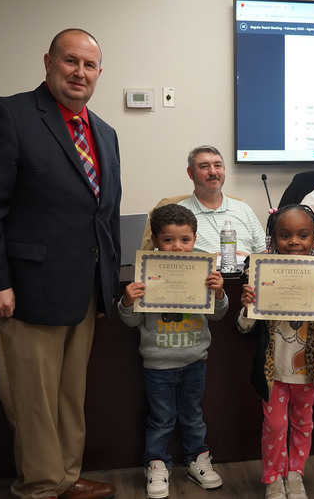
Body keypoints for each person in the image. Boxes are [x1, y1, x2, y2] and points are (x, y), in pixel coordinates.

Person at [0, 28, 121, 499]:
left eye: (89, 65)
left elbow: (104, 215)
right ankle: (39, 485)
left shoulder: (104, 132)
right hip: (25, 290)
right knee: (32, 401)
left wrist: (105, 285)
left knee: (70, 396)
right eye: (70, 61)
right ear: (48, 62)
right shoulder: (7, 115)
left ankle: (66, 476)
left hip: (83, 290)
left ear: (98, 73)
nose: (80, 72)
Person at [237, 204, 314, 499]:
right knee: (275, 426)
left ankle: (295, 474)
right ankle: (274, 477)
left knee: (303, 423)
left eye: (303, 235)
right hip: (273, 372)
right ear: (273, 240)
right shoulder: (260, 273)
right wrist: (249, 307)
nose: (294, 242)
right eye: (285, 235)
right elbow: (244, 331)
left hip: (308, 373)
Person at [118, 204, 227, 499]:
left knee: (193, 415)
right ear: (155, 240)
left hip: (195, 359)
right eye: (168, 240)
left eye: (184, 240)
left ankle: (197, 459)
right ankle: (156, 464)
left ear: (194, 238)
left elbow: (218, 315)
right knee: (161, 417)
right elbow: (129, 321)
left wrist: (219, 293)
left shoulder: (205, 271)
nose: (177, 247)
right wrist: (127, 301)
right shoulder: (145, 273)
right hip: (158, 363)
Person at [179, 145, 266, 256]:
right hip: (204, 272)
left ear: (224, 170)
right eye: (204, 166)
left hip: (246, 271)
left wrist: (249, 259)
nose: (213, 172)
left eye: (218, 166)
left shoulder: (244, 209)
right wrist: (209, 261)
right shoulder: (179, 213)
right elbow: (169, 258)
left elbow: (264, 252)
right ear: (191, 173)